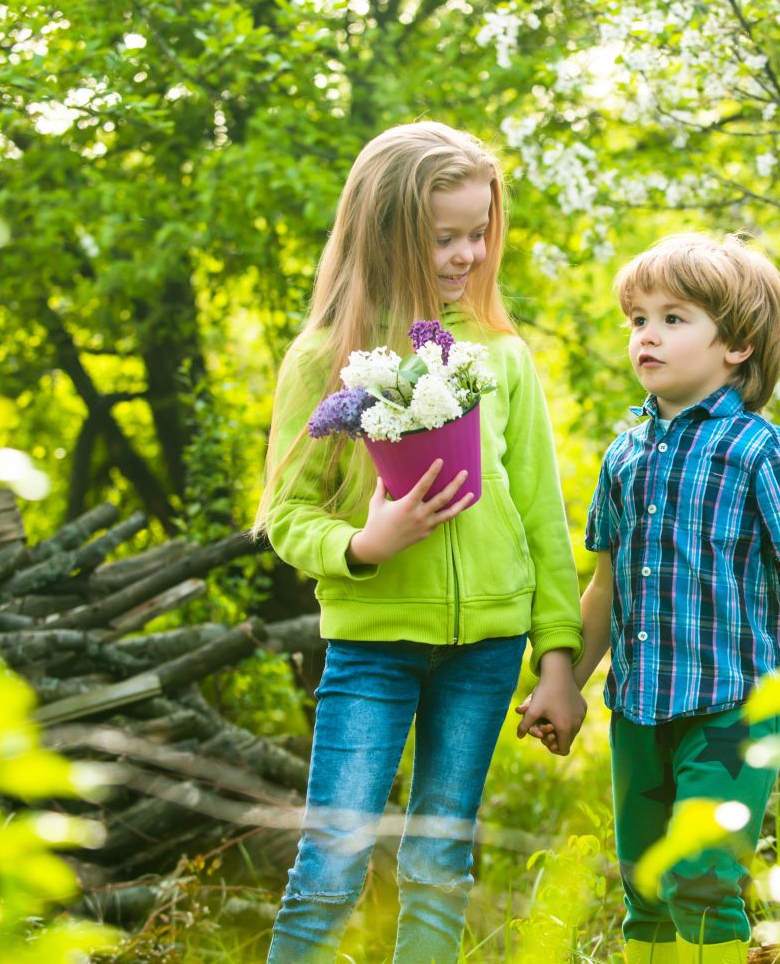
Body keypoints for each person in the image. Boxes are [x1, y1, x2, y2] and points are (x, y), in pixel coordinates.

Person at [253, 121, 586, 963]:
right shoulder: (322, 360)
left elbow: (543, 518)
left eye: (479, 233)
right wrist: (365, 544)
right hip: (371, 647)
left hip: (486, 648)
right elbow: (286, 516)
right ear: (388, 233)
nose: (468, 253)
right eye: (445, 237)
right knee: (331, 859)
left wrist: (557, 657)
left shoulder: (502, 359)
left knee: (440, 862)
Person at [528, 232, 780, 964]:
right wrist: (566, 685)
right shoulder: (625, 455)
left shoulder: (760, 450)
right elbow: (605, 584)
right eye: (637, 319)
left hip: (733, 708)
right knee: (646, 887)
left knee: (701, 879)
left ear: (735, 346)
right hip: (641, 710)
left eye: (673, 318)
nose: (646, 334)